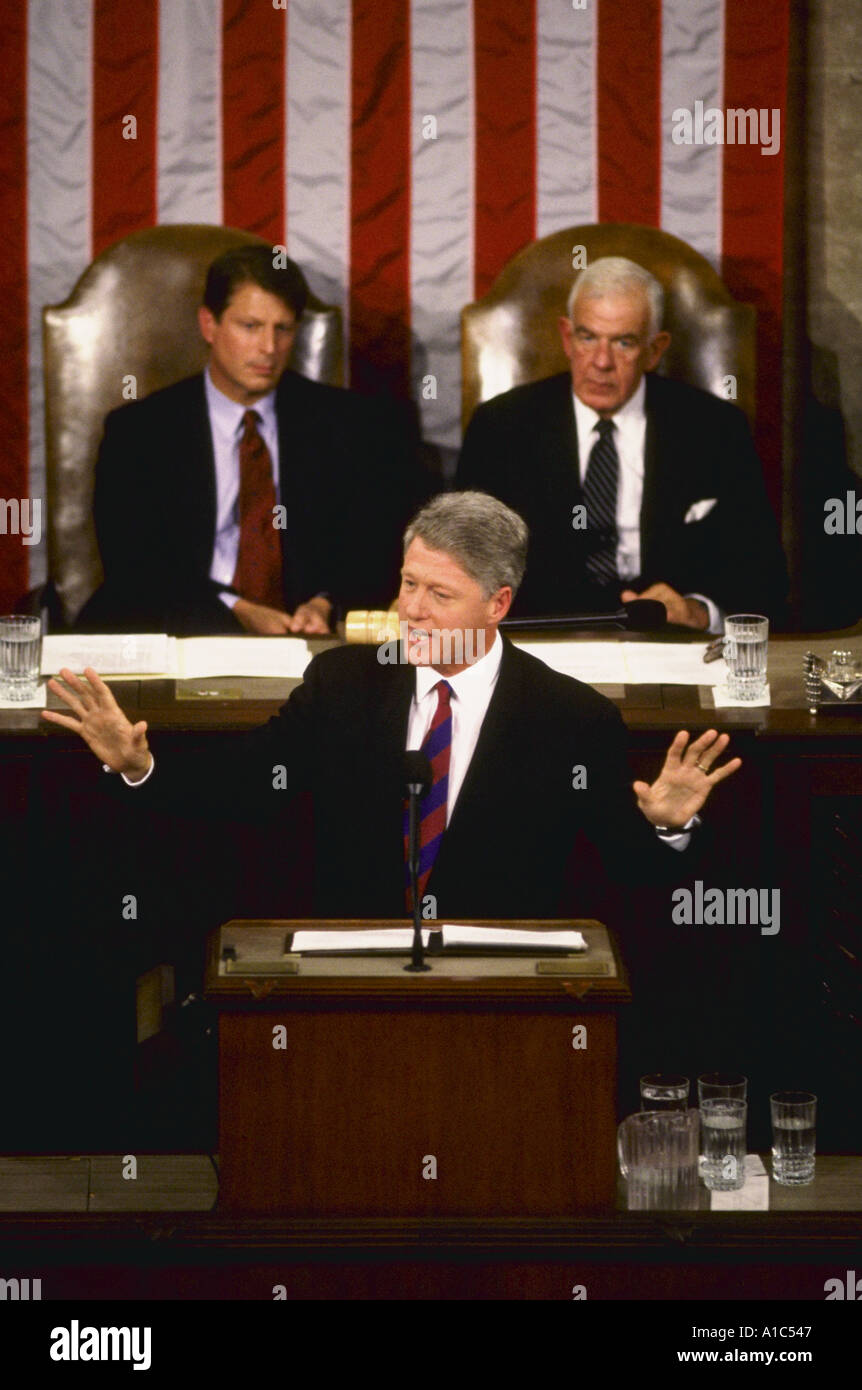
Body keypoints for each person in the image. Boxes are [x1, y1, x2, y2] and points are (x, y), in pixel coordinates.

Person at [45, 492, 741, 921]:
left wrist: (668, 827)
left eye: (438, 594)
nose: (409, 609)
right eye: (407, 583)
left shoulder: (572, 719)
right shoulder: (344, 684)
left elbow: (628, 877)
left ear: (497, 604)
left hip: (502, 997)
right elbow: (248, 786)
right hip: (353, 979)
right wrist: (139, 766)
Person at [77, 244, 418, 637]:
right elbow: (134, 564)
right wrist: (233, 608)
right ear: (209, 325)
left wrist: (327, 601)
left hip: (305, 638)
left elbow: (376, 546)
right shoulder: (140, 432)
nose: (268, 349)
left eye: (283, 329)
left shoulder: (350, 425)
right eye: (251, 326)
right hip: (179, 630)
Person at [455, 256, 788, 632]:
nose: (601, 362)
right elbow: (463, 562)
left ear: (655, 349)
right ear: (567, 337)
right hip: (541, 639)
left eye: (624, 342)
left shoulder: (715, 429)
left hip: (669, 640)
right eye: (587, 337)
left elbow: (762, 570)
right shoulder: (500, 428)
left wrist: (697, 612)